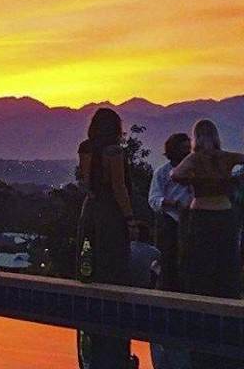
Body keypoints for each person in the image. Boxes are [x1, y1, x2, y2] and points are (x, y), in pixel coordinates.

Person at [170, 119, 244, 369]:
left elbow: (175, 174)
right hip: (225, 215)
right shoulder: (226, 157)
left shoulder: (195, 159)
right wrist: (228, 179)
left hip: (201, 217)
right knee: (227, 266)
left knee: (201, 270)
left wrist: (197, 179)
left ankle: (202, 322)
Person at [77, 108, 137, 369]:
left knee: (89, 263)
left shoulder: (85, 148)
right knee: (113, 269)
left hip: (89, 210)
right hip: (110, 213)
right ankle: (115, 351)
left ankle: (91, 342)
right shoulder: (114, 152)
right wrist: (130, 218)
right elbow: (119, 186)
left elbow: (85, 183)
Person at [148, 133, 193, 291]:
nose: (187, 152)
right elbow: (154, 199)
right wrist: (174, 204)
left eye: (189, 148)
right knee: (168, 262)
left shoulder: (195, 171)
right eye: (183, 149)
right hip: (169, 222)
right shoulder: (162, 172)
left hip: (192, 221)